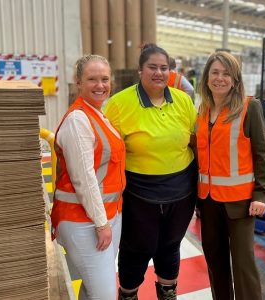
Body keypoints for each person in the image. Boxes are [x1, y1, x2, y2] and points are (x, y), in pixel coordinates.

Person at [104, 44, 197, 300]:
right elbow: (104, 151)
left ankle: (168, 293)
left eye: (164, 68)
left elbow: (195, 140)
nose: (159, 73)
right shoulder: (119, 104)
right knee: (136, 249)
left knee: (170, 246)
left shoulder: (183, 101)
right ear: (140, 70)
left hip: (181, 192)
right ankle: (128, 294)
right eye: (152, 67)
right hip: (138, 194)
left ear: (171, 71)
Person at [195, 51, 265, 300]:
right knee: (215, 264)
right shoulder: (203, 111)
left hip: (240, 204)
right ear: (206, 77)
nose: (220, 78)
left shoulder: (250, 107)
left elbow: (261, 154)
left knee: (243, 265)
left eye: (226, 74)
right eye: (215, 72)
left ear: (235, 79)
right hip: (207, 202)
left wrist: (261, 194)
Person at [50, 55, 125, 300]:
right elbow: (84, 179)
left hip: (106, 215)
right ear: (78, 82)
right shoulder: (78, 120)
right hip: (84, 219)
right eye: (92, 79)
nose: (100, 85)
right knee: (104, 294)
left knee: (93, 289)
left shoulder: (98, 115)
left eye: (104, 79)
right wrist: (102, 223)